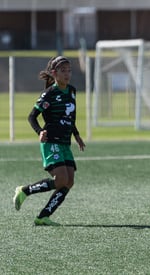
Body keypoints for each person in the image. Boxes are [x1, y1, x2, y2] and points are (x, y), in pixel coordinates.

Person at [13, 56, 86, 226]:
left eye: (69, 70)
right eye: (63, 71)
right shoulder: (49, 94)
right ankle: (25, 190)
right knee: (60, 179)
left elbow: (70, 116)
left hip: (65, 142)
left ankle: (43, 216)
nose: (67, 74)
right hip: (51, 141)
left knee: (69, 181)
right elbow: (31, 116)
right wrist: (40, 132)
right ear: (54, 73)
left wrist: (76, 135)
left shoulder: (72, 91)